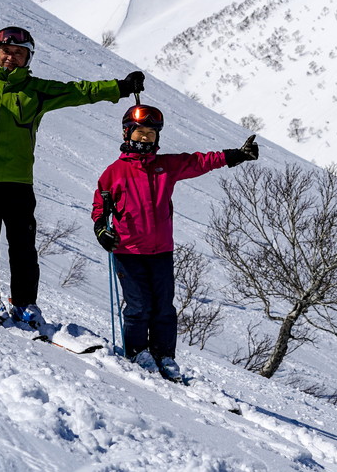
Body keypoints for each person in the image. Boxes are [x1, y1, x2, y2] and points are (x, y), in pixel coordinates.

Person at [0, 26, 143, 328]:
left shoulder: (37, 91)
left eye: (19, 53)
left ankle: (25, 303)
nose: (11, 58)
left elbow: (79, 92)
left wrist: (118, 87)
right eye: (6, 52)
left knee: (23, 249)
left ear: (28, 58)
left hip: (18, 184)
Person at [92, 104, 258, 382]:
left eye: (151, 133)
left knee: (164, 308)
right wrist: (101, 230)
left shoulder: (165, 166)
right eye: (140, 132)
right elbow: (100, 206)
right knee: (138, 307)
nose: (145, 138)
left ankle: (164, 356)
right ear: (127, 133)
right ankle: (136, 353)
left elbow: (199, 161)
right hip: (128, 252)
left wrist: (236, 156)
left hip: (160, 252)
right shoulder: (114, 172)